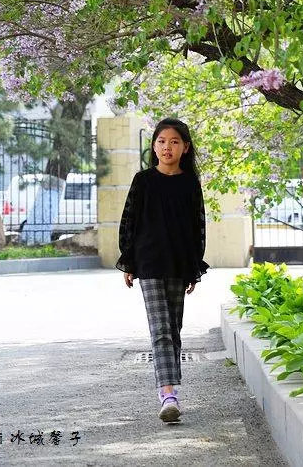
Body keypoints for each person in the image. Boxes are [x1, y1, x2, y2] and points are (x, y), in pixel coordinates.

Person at [115, 117, 210, 423]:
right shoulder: (143, 181)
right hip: (149, 261)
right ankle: (168, 394)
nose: (166, 147)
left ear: (185, 147)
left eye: (173, 142)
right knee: (160, 330)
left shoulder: (190, 183)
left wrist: (195, 265)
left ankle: (171, 390)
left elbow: (198, 227)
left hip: (180, 263)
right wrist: (128, 261)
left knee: (173, 329)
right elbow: (129, 222)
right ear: (153, 146)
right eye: (161, 142)